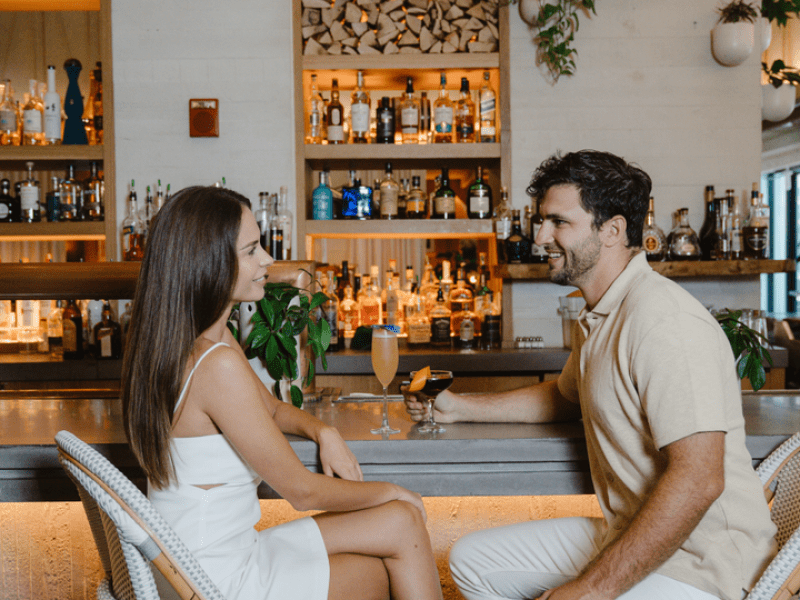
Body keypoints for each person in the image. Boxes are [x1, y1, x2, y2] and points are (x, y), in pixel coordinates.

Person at [402, 151, 777, 600]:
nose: (540, 236)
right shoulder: (602, 312)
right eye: (542, 221)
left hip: (705, 566)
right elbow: (564, 398)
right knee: (472, 561)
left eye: (558, 222)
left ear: (612, 230)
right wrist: (458, 407)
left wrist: (590, 590)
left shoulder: (664, 321)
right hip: (631, 527)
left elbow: (700, 479)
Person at [122, 186, 443, 600]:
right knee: (389, 544)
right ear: (211, 263)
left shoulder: (203, 342)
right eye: (252, 250)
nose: (268, 261)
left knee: (401, 523)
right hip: (212, 580)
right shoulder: (215, 363)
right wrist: (395, 490)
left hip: (201, 558)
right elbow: (302, 491)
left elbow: (271, 409)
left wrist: (321, 431)